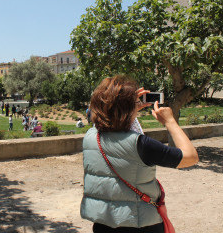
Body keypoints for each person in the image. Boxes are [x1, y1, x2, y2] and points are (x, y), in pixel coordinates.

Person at [81, 75, 198, 233]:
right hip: (140, 225)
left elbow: (106, 117)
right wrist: (170, 121)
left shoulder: (90, 137)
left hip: (103, 223)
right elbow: (190, 157)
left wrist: (126, 107)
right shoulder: (140, 145)